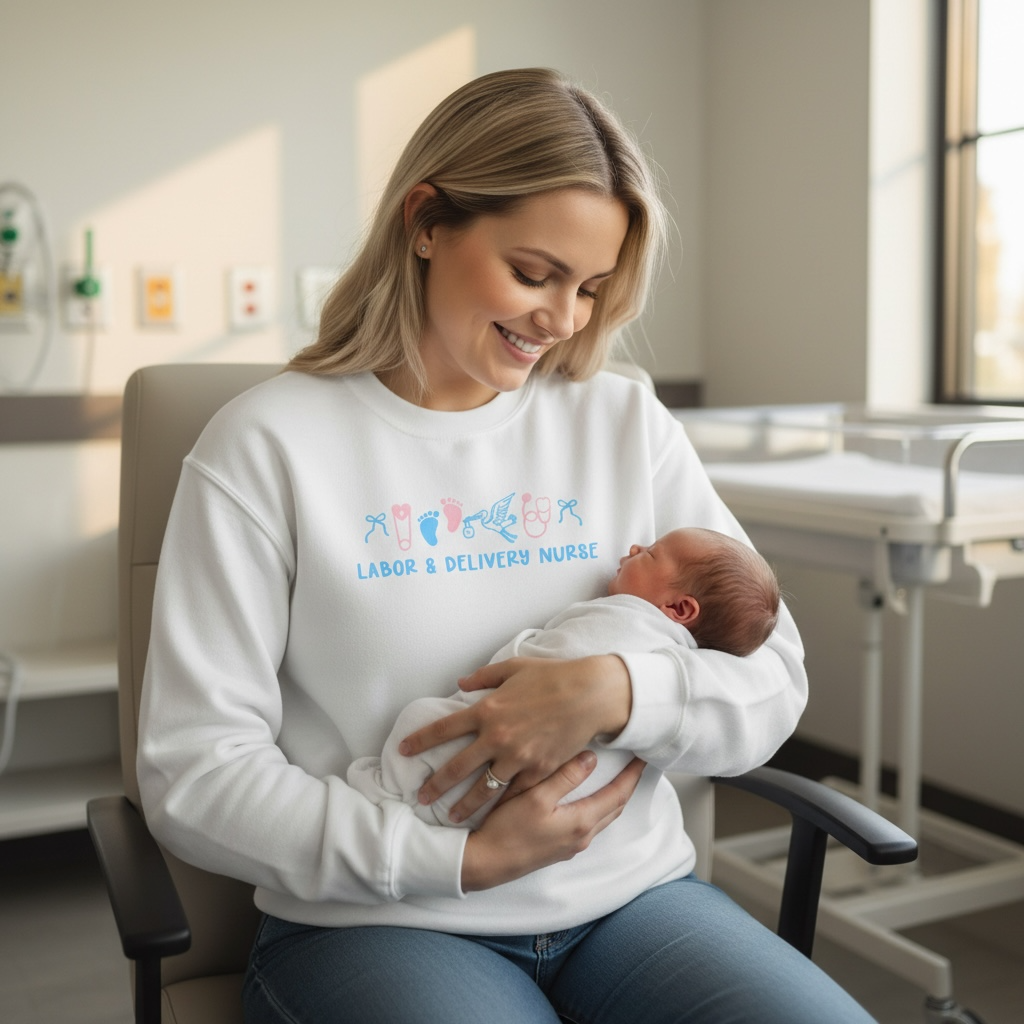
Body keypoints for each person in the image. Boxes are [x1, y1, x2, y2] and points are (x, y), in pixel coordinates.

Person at [137, 68, 878, 1023]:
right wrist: (455, 858)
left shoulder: (619, 422)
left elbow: (772, 674)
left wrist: (619, 691)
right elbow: (195, 772)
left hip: (634, 906)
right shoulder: (267, 446)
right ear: (427, 222)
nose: (564, 320)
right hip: (383, 923)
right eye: (534, 274)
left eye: (592, 287)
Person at [348, 527, 781, 830]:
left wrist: (613, 688)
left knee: (420, 720)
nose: (633, 546)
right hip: (565, 804)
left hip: (610, 863)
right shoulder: (678, 647)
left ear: (680, 609)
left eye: (648, 553)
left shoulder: (625, 620)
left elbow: (552, 663)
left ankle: (385, 790)